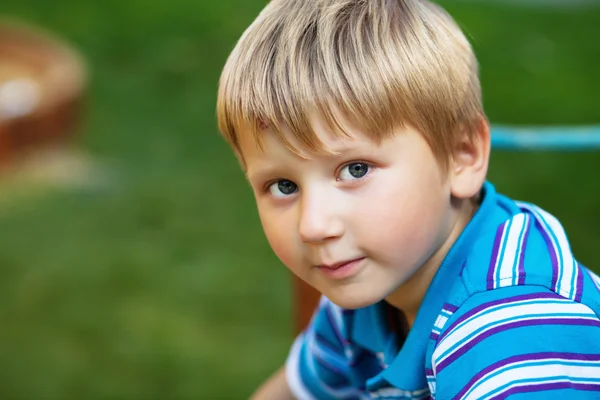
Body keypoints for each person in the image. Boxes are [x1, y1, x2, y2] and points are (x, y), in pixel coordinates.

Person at [216, 0, 600, 398]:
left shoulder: (513, 337)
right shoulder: (365, 286)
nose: (313, 226)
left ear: (461, 156)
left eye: (356, 170)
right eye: (283, 186)